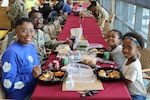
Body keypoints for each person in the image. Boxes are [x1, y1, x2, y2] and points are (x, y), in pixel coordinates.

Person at [1, 18, 42, 100]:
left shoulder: (31, 46)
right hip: (23, 95)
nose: (29, 34)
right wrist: (31, 76)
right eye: (24, 31)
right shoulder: (11, 53)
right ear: (16, 32)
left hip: (36, 88)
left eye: (31, 30)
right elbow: (8, 84)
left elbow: (36, 69)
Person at [122, 32, 146, 100]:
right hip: (129, 90)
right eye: (123, 47)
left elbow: (125, 82)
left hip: (136, 95)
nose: (125, 50)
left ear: (137, 49)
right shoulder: (129, 58)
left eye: (129, 48)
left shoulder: (134, 66)